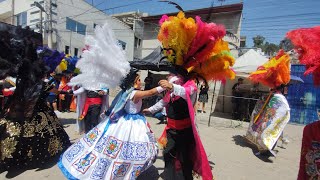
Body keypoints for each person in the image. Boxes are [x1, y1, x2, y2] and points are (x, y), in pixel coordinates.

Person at [58, 69, 162, 179]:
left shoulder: (125, 92)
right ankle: (122, 171)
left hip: (129, 120)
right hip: (130, 124)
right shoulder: (134, 93)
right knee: (133, 150)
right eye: (138, 79)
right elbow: (151, 92)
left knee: (122, 149)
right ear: (133, 82)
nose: (141, 81)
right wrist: (164, 87)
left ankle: (124, 168)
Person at [0, 24, 70, 171]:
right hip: (37, 112)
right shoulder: (43, 83)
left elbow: (13, 91)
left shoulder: (26, 83)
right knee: (35, 134)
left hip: (20, 110)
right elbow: (56, 92)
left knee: (19, 133)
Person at [245, 50, 291, 157]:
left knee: (270, 134)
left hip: (273, 121)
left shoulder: (279, 98)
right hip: (269, 120)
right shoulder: (272, 96)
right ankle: (265, 150)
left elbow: (283, 110)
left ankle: (266, 151)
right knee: (267, 132)